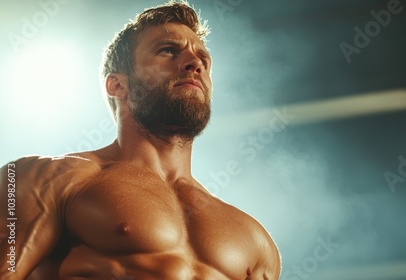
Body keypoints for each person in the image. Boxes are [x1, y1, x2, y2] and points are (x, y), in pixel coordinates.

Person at [0, 1, 281, 279]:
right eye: (168, 50)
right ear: (117, 85)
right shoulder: (41, 179)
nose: (195, 63)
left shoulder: (255, 240)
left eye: (203, 60)